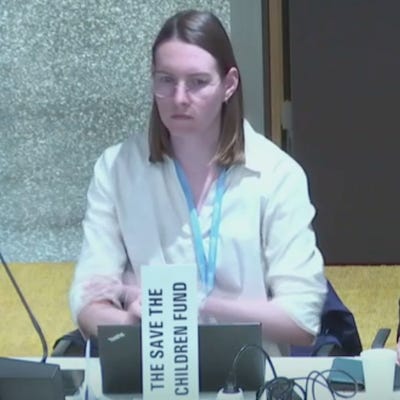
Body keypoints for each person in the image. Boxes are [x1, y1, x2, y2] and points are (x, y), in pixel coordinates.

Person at [69, 9, 327, 356]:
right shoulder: (116, 168)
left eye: (198, 82)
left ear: (229, 84)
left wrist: (195, 304)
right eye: (166, 80)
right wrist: (136, 322)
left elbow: (302, 321)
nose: (179, 98)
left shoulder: (277, 174)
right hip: (151, 369)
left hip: (251, 373)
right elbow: (88, 303)